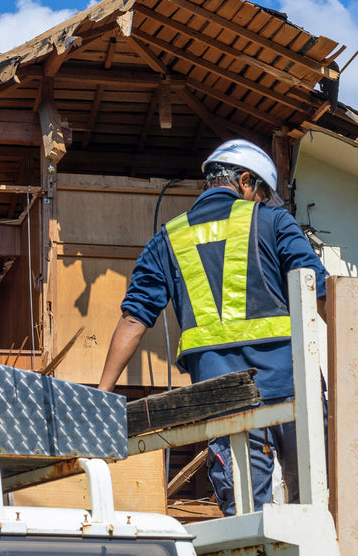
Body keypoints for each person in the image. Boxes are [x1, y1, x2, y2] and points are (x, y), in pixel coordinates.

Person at [96, 138, 327, 514]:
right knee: (317, 504)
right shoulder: (274, 222)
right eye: (262, 194)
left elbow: (133, 318)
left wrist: (102, 396)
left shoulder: (167, 240)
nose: (261, 202)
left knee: (245, 515)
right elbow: (317, 290)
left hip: (221, 400)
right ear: (246, 182)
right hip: (291, 385)